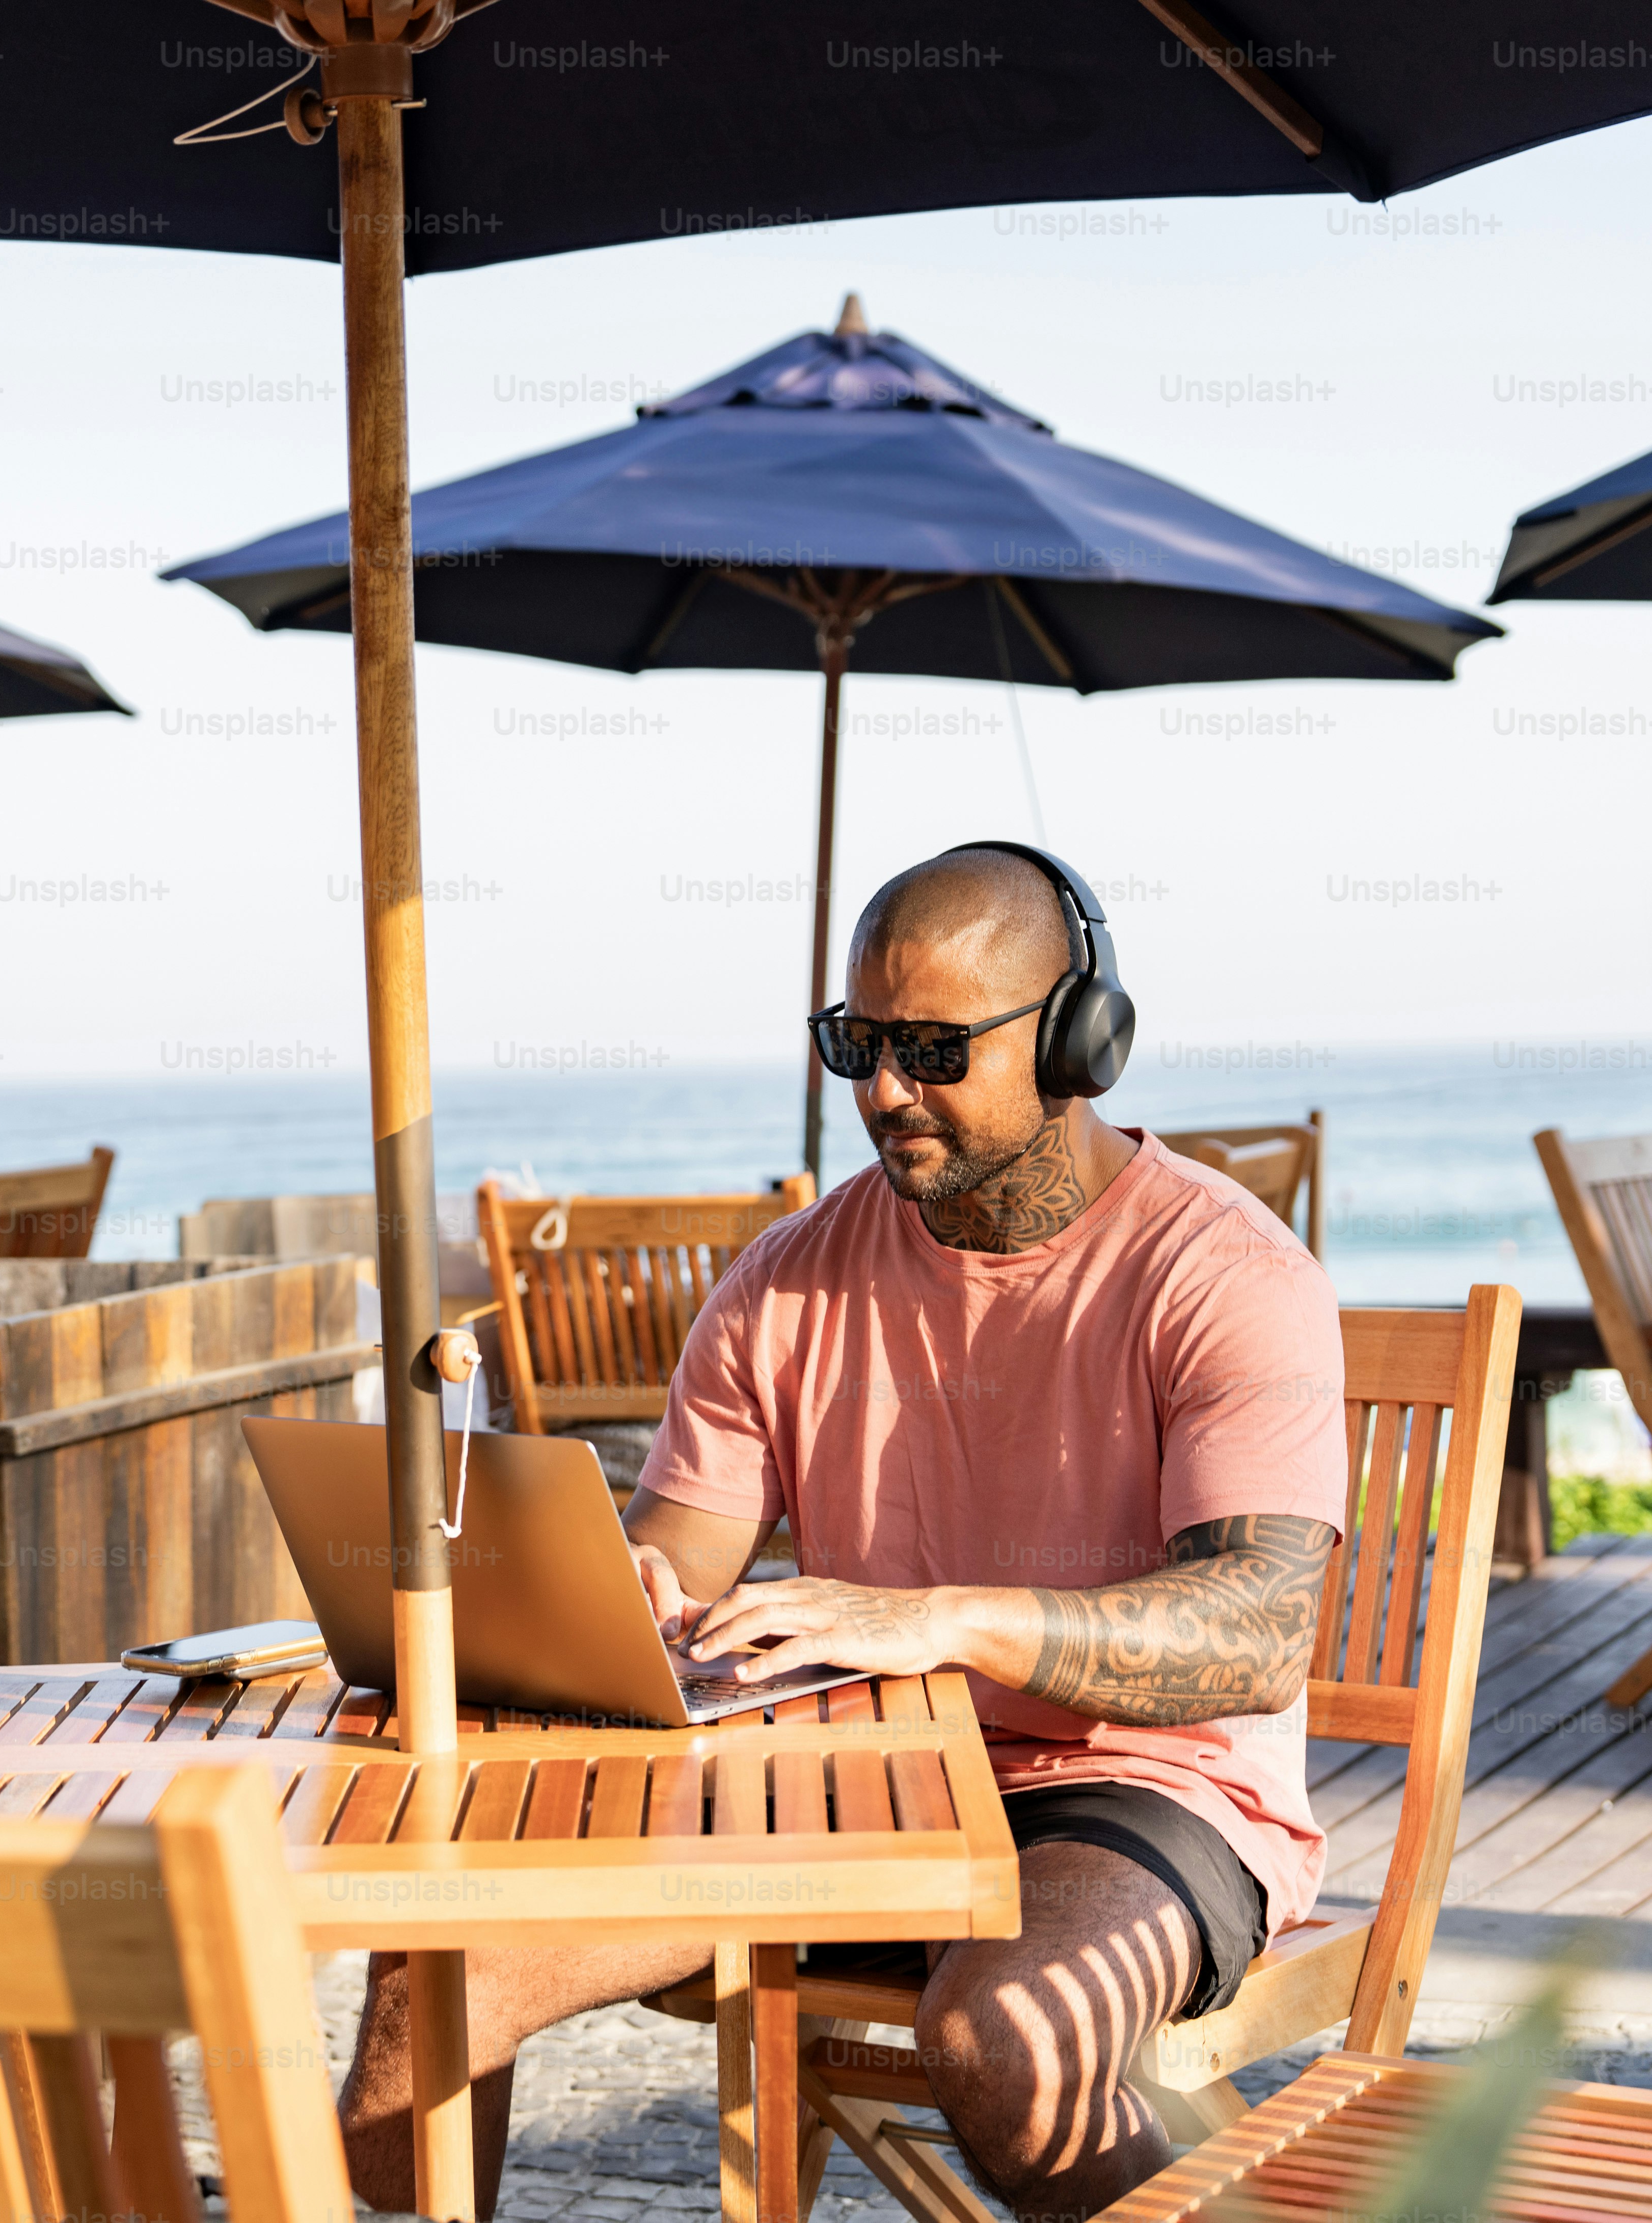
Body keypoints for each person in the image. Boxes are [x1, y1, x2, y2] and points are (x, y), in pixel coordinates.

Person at [339, 843, 1345, 2223]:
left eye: (933, 1047)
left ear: (1076, 1039)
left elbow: (1260, 1631)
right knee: (438, 1962)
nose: (882, 1088)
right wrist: (618, 1600)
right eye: (854, 1041)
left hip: (1130, 1791)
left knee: (1007, 2042)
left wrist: (940, 1616)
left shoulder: (1224, 1272)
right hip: (838, 1781)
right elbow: (671, 1570)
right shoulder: (786, 1276)